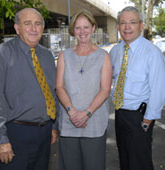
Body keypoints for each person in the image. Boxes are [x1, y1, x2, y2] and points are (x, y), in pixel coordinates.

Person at [0, 8, 59, 170]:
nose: (33, 28)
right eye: (27, 24)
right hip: (15, 134)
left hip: (45, 133)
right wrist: (1, 138)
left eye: (37, 24)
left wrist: (53, 127)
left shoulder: (47, 56)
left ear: (42, 28)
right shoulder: (1, 54)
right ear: (17, 28)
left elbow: (52, 92)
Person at [110, 6, 165, 170]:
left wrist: (147, 121)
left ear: (141, 25)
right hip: (120, 113)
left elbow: (158, 90)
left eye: (132, 22)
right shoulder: (115, 51)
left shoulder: (152, 53)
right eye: (123, 23)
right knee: (125, 161)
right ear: (118, 27)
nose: (127, 27)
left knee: (140, 163)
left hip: (139, 117)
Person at [56, 9, 112, 170]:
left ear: (93, 28)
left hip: (94, 123)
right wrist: (72, 112)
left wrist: (86, 113)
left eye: (86, 27)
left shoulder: (103, 56)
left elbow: (105, 90)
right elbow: (59, 87)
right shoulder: (64, 56)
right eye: (78, 27)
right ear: (73, 30)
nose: (82, 32)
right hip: (68, 123)